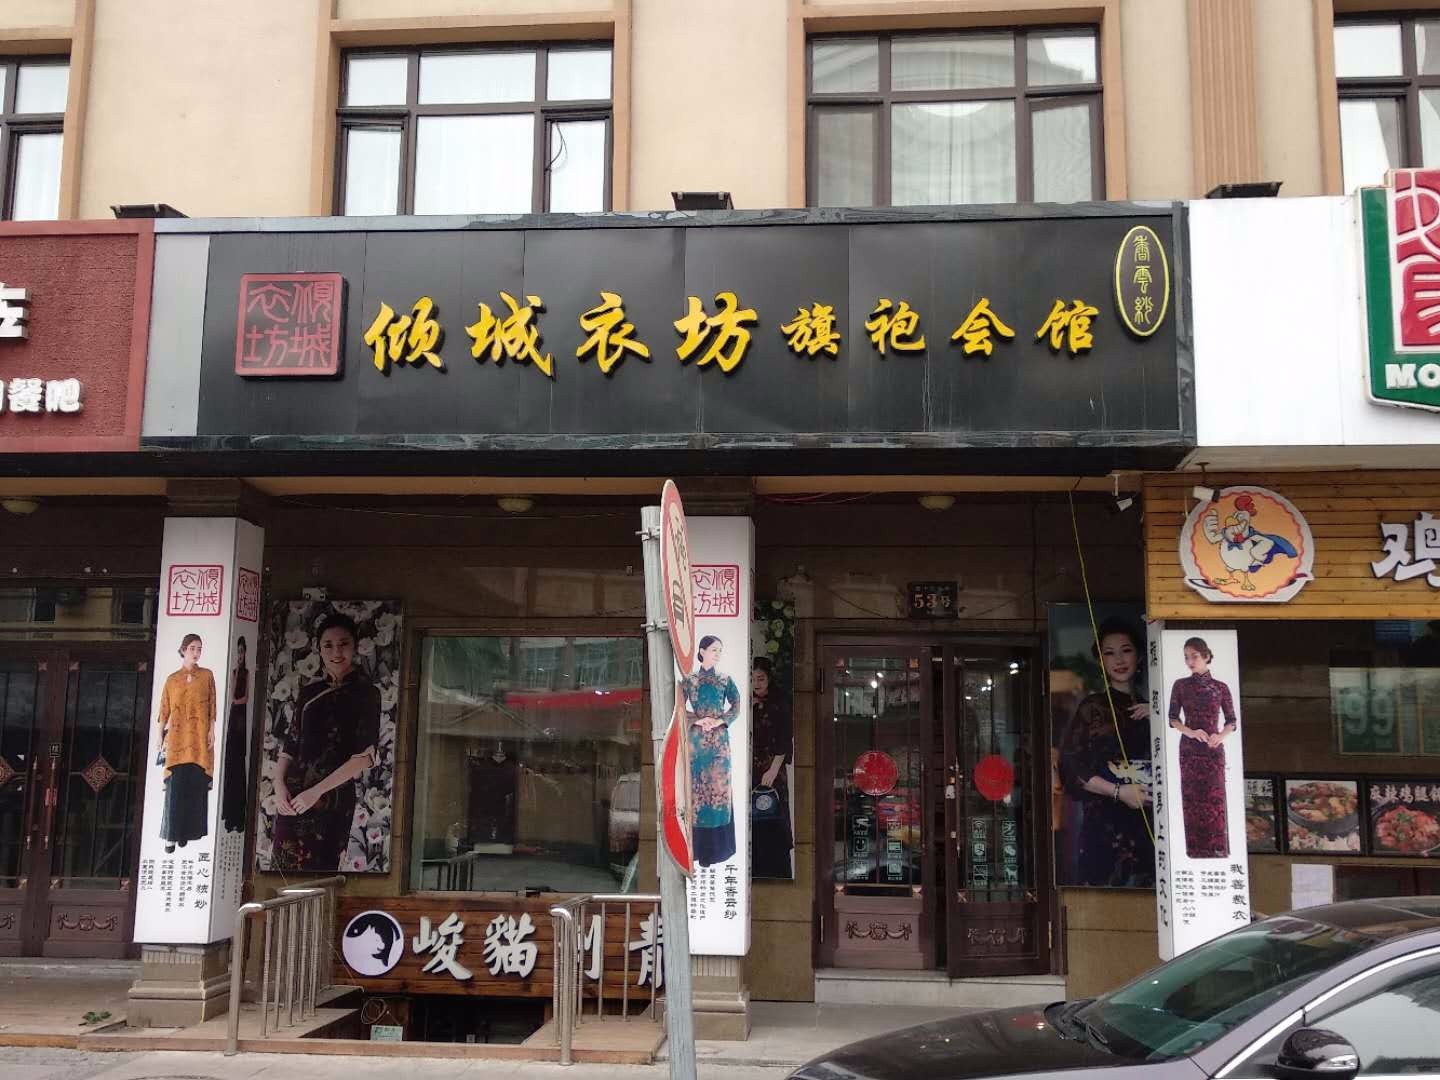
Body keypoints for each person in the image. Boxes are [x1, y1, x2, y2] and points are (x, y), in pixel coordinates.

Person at [272, 612, 381, 871]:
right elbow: (291, 743)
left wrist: (316, 792)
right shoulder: (309, 692)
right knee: (283, 873)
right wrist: (278, 786)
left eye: (343, 644)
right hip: (292, 797)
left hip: (332, 799)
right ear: (319, 649)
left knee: (321, 873)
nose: (336, 652)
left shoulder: (367, 693)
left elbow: (364, 757)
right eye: (328, 645)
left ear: (355, 646)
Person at [1058, 618, 1154, 887]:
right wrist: (1118, 792)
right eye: (1109, 653)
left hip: (1150, 820)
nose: (1119, 660)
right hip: (1105, 824)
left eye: (1126, 650)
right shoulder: (1094, 707)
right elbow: (1071, 766)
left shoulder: (1155, 708)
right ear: (1101, 661)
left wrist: (1160, 717)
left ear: (1140, 656)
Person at [1167, 636, 1237, 860]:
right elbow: (1172, 719)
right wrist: (1191, 732)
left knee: (1215, 798)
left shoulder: (1221, 687)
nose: (1190, 661)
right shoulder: (1180, 685)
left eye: (1194, 656)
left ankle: (1218, 849)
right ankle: (1195, 850)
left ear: (1206, 656)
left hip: (1213, 749)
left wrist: (1220, 736)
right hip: (1189, 749)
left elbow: (1232, 721)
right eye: (1186, 657)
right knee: (1192, 799)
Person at [683, 635, 741, 867]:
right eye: (714, 649)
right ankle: (697, 849)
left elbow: (737, 704)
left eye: (720, 650)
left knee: (718, 789)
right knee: (697, 789)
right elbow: (677, 706)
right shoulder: (689, 680)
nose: (718, 654)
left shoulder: (725, 679)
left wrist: (720, 721)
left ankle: (718, 850)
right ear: (702, 651)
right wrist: (696, 720)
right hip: (697, 742)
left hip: (719, 742)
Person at [157, 634, 217, 855]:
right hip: (177, 739)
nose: (196, 652)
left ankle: (187, 834)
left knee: (195, 785)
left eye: (199, 648)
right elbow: (164, 710)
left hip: (199, 739)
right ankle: (171, 836)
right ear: (183, 650)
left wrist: (211, 731)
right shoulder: (172, 679)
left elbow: (212, 706)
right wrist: (159, 737)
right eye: (192, 648)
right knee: (175, 787)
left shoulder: (207, 676)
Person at [750, 655, 793, 879]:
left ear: (769, 679)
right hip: (750, 769)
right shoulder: (745, 702)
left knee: (773, 814)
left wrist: (774, 770)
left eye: (761, 678)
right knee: (752, 819)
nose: (756, 683)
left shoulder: (780, 703)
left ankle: (777, 871)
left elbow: (785, 740)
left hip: (771, 769)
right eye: (753, 679)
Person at [220, 635, 250, 833]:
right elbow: (232, 695)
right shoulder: (235, 672)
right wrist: (236, 672)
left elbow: (244, 698)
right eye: (238, 651)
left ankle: (239, 818)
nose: (240, 655)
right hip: (234, 718)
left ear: (245, 652)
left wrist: (237, 701)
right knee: (231, 764)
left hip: (242, 718)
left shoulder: (246, 673)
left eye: (242, 651)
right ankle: (229, 817)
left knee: (239, 764)